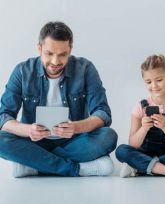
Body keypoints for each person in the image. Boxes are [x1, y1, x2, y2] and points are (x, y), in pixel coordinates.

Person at [0, 21, 117, 177]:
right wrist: (28, 130)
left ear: (70, 50)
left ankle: (34, 164)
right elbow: (4, 116)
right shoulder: (22, 71)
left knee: (108, 136)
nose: (55, 62)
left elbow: (102, 112)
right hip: (33, 142)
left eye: (62, 54)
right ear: (39, 48)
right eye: (49, 53)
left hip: (73, 141)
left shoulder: (85, 69)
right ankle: (77, 169)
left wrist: (76, 127)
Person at [115, 54, 165, 178]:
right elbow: (133, 144)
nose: (154, 86)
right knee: (121, 150)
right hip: (145, 152)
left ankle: (139, 166)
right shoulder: (140, 107)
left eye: (159, 80)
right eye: (148, 82)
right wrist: (144, 128)